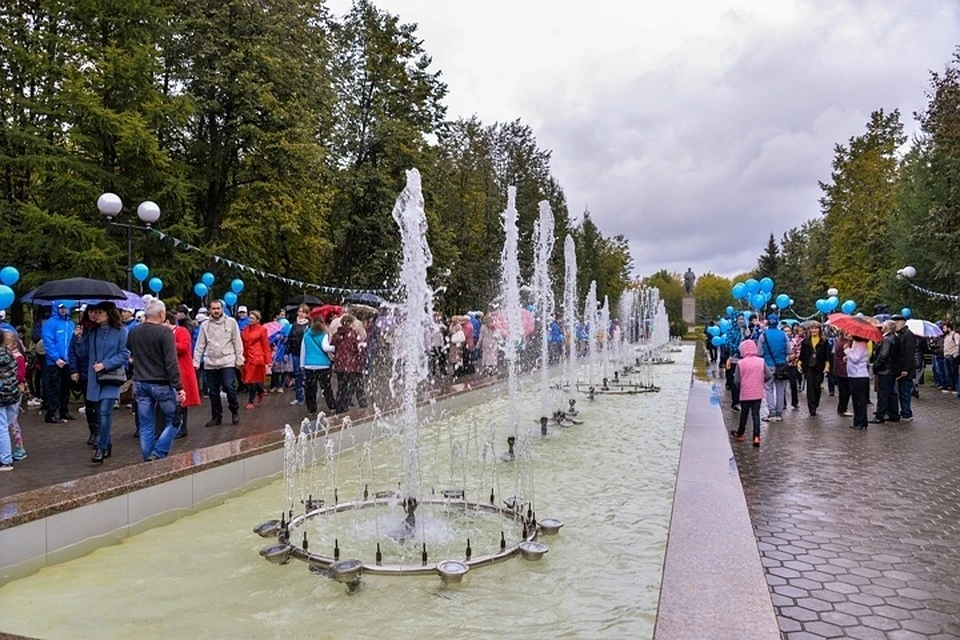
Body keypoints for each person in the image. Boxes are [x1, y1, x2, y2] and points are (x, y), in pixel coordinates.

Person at [71, 302, 130, 464]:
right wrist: (79, 338)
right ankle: (107, 442)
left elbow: (124, 354)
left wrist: (106, 364)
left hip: (111, 377)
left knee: (105, 412)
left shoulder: (121, 332)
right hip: (95, 379)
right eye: (94, 312)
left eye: (99, 312)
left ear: (109, 313)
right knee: (99, 413)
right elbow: (82, 353)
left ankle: (101, 447)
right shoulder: (92, 332)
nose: (95, 315)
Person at [128, 299, 185, 461]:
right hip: (161, 383)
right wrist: (179, 386)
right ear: (161, 314)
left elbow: (129, 350)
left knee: (146, 425)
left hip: (140, 382)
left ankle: (148, 459)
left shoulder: (134, 331)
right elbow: (171, 362)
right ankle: (158, 452)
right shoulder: (165, 333)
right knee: (175, 420)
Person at [193, 299, 244, 426]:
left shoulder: (231, 322)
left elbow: (237, 341)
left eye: (218, 308)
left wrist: (239, 358)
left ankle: (234, 410)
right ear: (209, 310)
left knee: (229, 387)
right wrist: (196, 361)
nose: (216, 311)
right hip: (210, 361)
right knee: (213, 391)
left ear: (222, 309)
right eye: (213, 309)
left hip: (227, 360)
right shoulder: (205, 325)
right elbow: (200, 344)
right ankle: (216, 416)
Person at [164, 311, 200, 439]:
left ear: (167, 322)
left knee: (181, 400)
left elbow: (184, 346)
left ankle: (182, 427)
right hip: (169, 370)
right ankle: (173, 426)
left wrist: (167, 345)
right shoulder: (166, 333)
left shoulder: (181, 331)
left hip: (182, 370)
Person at [69, 307, 101, 446]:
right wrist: (74, 370)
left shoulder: (102, 329)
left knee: (99, 403)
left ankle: (101, 431)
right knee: (89, 403)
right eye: (91, 312)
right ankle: (93, 431)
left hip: (99, 370)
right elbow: (73, 352)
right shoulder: (81, 330)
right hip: (84, 370)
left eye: (96, 312)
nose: (93, 315)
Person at [730, 339, 769, 447]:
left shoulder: (740, 363)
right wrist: (761, 382)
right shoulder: (761, 361)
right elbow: (769, 375)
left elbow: (736, 380)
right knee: (756, 414)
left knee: (744, 414)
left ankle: (740, 433)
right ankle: (756, 437)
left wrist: (740, 387)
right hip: (758, 392)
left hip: (745, 392)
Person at [41, 302, 76, 423]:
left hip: (67, 361)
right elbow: (48, 342)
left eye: (65, 307)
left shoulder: (71, 324)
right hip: (54, 362)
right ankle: (51, 413)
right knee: (54, 388)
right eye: (61, 308)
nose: (63, 310)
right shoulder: (51, 323)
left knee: (65, 388)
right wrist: (56, 358)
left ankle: (64, 412)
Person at [301, 308, 336, 414]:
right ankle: (332, 406)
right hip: (323, 365)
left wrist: (302, 364)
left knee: (310, 388)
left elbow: (303, 350)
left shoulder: (306, 334)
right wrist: (334, 348)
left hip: (309, 365)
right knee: (326, 387)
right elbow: (325, 348)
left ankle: (311, 409)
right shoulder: (324, 335)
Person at [331, 313, 366, 412]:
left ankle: (340, 407)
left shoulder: (336, 335)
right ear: (351, 323)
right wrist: (361, 358)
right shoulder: (354, 334)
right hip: (352, 365)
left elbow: (333, 347)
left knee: (341, 386)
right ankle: (358, 404)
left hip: (340, 365)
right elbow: (359, 349)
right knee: (354, 385)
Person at [757, 315, 788, 421]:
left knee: (768, 389)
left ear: (767, 323)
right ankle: (779, 412)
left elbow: (759, 352)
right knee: (780, 389)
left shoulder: (763, 335)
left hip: (767, 366)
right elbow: (789, 350)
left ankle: (771, 412)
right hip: (782, 365)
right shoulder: (783, 335)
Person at [2, 330, 27, 461]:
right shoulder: (8, 356)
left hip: (15, 392)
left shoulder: (18, 357)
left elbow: (21, 375)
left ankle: (19, 447)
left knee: (12, 422)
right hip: (10, 392)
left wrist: (12, 378)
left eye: (6, 345)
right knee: (7, 422)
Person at [870, 321, 901, 424]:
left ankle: (880, 415)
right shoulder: (895, 338)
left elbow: (883, 355)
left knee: (883, 393)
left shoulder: (887, 340)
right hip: (892, 370)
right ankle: (893, 414)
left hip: (885, 371)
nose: (881, 327)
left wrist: (876, 366)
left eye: (883, 326)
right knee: (891, 393)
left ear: (887, 328)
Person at [798, 322, 830, 417]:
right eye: (812, 328)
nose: (814, 330)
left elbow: (827, 355)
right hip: (808, 366)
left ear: (819, 330)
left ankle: (816, 403)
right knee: (810, 386)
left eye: (816, 328)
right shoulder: (805, 341)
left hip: (819, 366)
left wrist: (827, 366)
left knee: (817, 386)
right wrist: (799, 363)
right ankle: (811, 407)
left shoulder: (824, 342)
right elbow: (802, 355)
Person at [240, 310, 270, 410]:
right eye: (250, 318)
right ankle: (261, 390)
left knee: (252, 379)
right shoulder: (245, 329)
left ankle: (250, 401)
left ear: (258, 319)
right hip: (247, 357)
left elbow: (266, 345)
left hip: (257, 357)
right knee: (248, 379)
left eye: (253, 318)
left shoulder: (262, 330)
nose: (250, 320)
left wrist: (268, 360)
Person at [0, 332, 21, 471]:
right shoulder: (8, 352)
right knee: (8, 424)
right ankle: (12, 453)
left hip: (1, 395)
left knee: (1, 427)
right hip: (11, 394)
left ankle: (6, 460)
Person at [891, 314, 916, 421]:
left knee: (905, 392)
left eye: (896, 323)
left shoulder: (908, 335)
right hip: (901, 368)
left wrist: (905, 368)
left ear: (903, 322)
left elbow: (908, 353)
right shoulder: (900, 334)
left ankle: (906, 413)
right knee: (901, 391)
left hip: (907, 370)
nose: (895, 325)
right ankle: (905, 411)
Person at [845, 335, 871, 430]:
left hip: (859, 376)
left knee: (859, 400)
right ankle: (859, 422)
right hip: (854, 375)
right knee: (856, 400)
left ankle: (860, 422)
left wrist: (847, 350)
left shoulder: (861, 344)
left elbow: (856, 359)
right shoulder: (857, 344)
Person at [285, 305, 309, 405]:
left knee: (307, 376)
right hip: (295, 352)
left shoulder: (310, 325)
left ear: (307, 314)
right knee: (297, 374)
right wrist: (286, 352)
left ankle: (308, 396)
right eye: (300, 311)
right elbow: (289, 339)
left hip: (307, 353)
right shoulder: (294, 325)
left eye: (303, 312)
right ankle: (298, 397)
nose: (301, 314)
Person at [832, 331, 852, 417]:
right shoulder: (845, 343)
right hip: (844, 370)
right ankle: (842, 408)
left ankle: (842, 407)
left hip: (839, 369)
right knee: (845, 391)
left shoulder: (839, 341)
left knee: (843, 390)